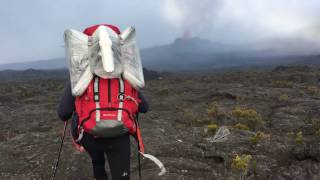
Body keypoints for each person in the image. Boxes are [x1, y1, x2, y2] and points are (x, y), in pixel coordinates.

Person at [57, 25, 149, 180]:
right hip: (119, 137)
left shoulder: (80, 78)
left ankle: (99, 171)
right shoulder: (127, 76)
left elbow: (63, 113)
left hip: (90, 137)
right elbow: (144, 107)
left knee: (97, 162)